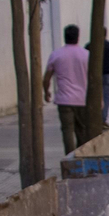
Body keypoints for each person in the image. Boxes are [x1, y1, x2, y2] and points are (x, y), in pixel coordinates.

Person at [45, 25, 91, 153]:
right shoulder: (86, 55)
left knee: (67, 131)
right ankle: (81, 155)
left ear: (65, 37)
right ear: (78, 37)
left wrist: (46, 92)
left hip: (64, 100)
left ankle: (69, 157)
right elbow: (94, 78)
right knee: (82, 130)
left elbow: (46, 78)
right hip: (82, 99)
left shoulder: (56, 54)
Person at [88, 29, 109, 126]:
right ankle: (103, 119)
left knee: (94, 98)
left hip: (94, 76)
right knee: (106, 98)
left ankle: (94, 119)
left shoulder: (90, 46)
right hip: (108, 74)